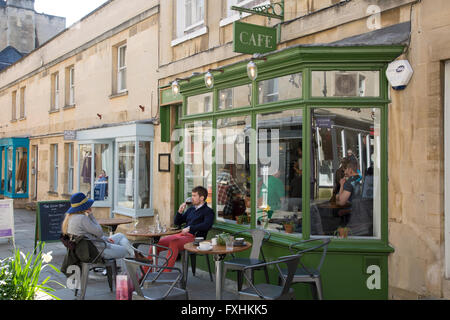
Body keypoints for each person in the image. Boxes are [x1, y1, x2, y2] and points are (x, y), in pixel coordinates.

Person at [61, 192, 135, 260]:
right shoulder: (82, 218)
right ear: (84, 206)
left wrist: (106, 239)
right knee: (126, 251)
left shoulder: (70, 218)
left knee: (120, 235)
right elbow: (99, 232)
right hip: (98, 251)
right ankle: (135, 260)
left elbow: (92, 234)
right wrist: (91, 215)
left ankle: (135, 254)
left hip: (89, 248)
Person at [156, 186, 214, 269]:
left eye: (194, 196)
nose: (191, 198)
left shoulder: (208, 211)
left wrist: (190, 228)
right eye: (192, 195)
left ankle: (166, 273)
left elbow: (207, 225)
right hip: (182, 235)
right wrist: (179, 212)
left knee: (174, 243)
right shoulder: (191, 209)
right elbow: (177, 222)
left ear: (202, 198)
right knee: (157, 244)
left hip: (195, 238)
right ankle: (147, 271)